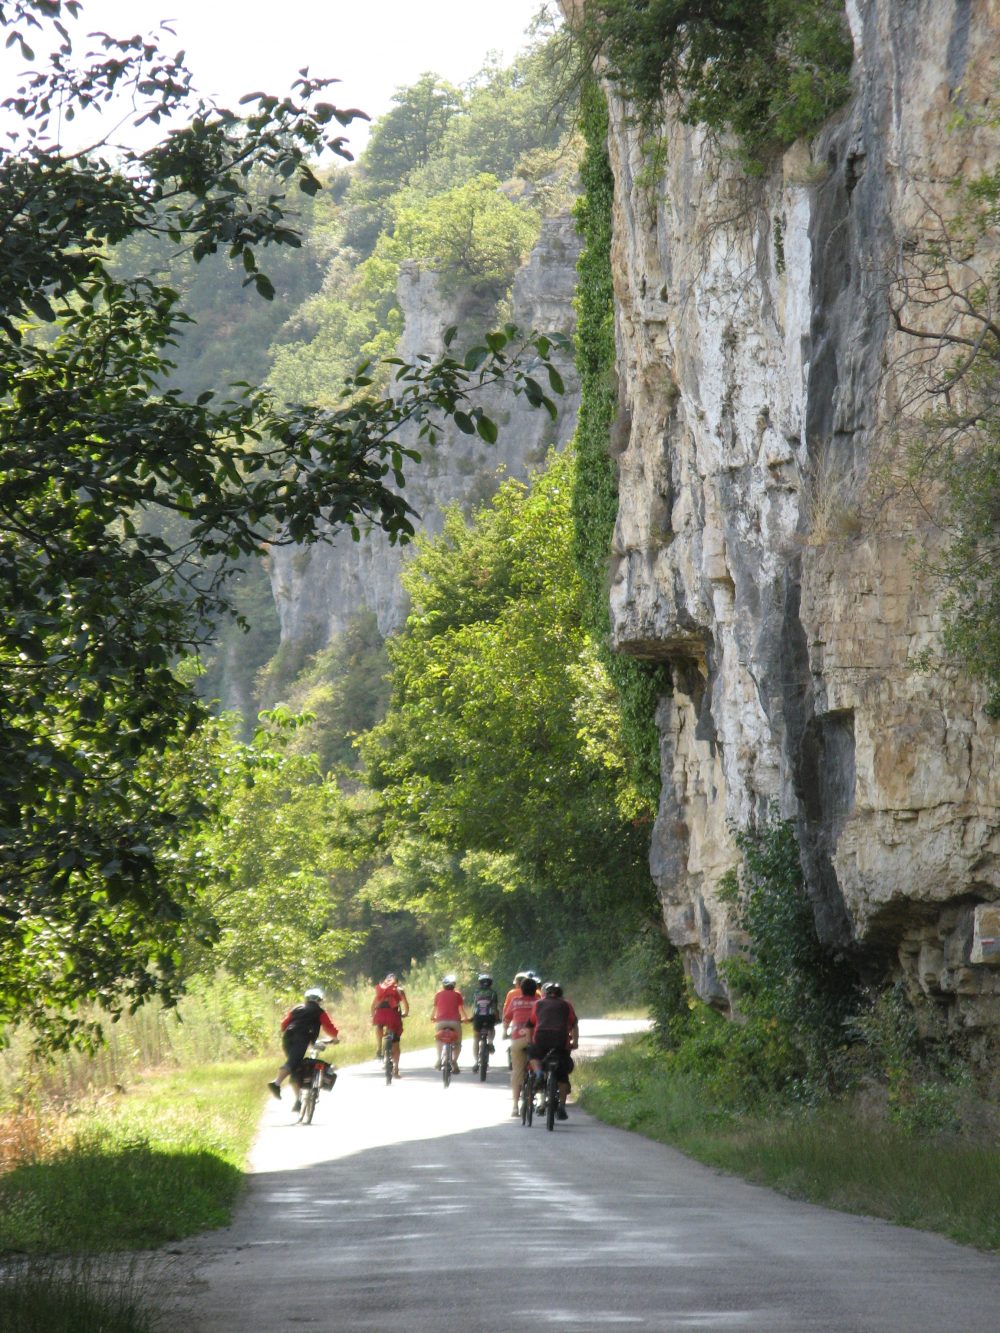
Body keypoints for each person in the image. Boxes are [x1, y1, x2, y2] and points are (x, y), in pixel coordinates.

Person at [269, 987, 339, 1112]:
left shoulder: (297, 1008)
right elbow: (330, 1027)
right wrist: (335, 1038)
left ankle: (298, 1101)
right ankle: (276, 1083)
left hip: (287, 1038)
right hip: (301, 1037)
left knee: (296, 1066)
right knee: (292, 1063)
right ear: (319, 1000)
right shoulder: (319, 1011)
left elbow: (283, 1024)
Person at [527, 981, 578, 1120]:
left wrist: (530, 1041)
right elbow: (574, 1025)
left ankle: (538, 1074)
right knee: (562, 1074)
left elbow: (531, 1024)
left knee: (533, 1055)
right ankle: (561, 1106)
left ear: (545, 993)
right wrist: (575, 1042)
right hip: (561, 1040)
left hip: (541, 1038)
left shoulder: (538, 1004)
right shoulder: (566, 1004)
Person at [502, 975, 538, 1116]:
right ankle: (540, 1096)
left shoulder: (515, 1001)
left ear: (520, 990)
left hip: (517, 1039)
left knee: (517, 1071)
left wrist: (505, 1032)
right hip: (534, 1039)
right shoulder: (539, 1002)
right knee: (539, 1063)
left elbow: (506, 1019)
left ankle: (515, 1107)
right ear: (536, 990)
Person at [371, 971, 409, 1078]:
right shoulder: (399, 990)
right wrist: (405, 1013)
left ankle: (379, 1048)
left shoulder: (382, 991)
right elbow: (405, 1005)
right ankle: (396, 1069)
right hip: (394, 1017)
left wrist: (372, 1015)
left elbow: (373, 1005)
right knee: (396, 1044)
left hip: (380, 1015)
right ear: (396, 982)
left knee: (379, 1026)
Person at [431, 974, 468, 1072]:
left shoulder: (438, 994)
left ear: (443, 985)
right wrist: (466, 1018)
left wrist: (433, 1018)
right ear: (454, 985)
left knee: (438, 1039)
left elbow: (435, 1009)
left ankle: (439, 1060)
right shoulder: (457, 994)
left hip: (441, 1021)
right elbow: (461, 1009)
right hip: (454, 1022)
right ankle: (454, 1061)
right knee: (458, 1043)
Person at [468, 972, 500, 1071]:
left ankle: (475, 1061)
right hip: (489, 1016)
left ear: (479, 983)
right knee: (491, 1029)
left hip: (478, 1016)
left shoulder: (476, 993)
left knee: (476, 1038)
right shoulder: (493, 993)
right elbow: (494, 1007)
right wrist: (497, 1018)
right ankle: (490, 1042)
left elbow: (474, 1006)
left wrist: (472, 1017)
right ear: (490, 983)